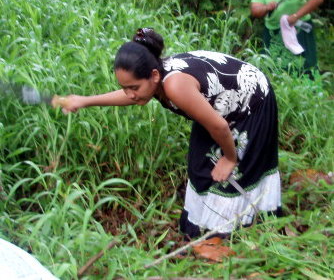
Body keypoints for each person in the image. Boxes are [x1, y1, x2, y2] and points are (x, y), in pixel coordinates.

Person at [60, 28, 282, 239]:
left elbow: (219, 127)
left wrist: (230, 157)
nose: (130, 94)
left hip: (251, 100)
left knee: (235, 170)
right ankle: (203, 228)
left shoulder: (176, 87)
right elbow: (132, 93)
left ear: (154, 76)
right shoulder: (153, 78)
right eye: (126, 87)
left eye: (134, 88)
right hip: (219, 105)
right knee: (200, 166)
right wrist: (84, 101)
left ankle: (238, 230)